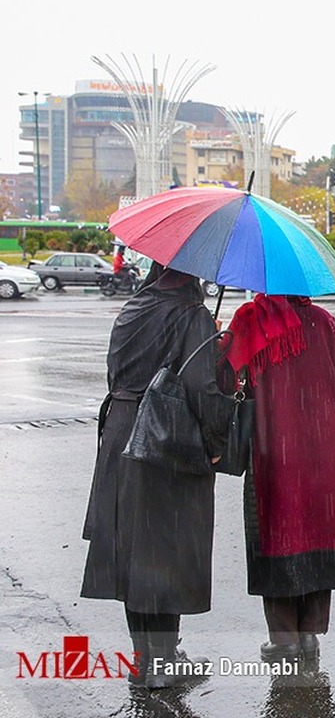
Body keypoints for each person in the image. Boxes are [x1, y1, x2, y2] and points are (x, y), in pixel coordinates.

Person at [81, 263, 231, 689]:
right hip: (169, 436)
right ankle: (165, 663)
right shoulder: (191, 316)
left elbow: (117, 374)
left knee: (134, 547)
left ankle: (145, 658)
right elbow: (203, 390)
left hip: (121, 436)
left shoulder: (132, 307)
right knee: (168, 548)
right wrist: (217, 442)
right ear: (192, 275)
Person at [225, 294, 335, 664]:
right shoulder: (322, 322)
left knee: (277, 533)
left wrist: (220, 342)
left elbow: (226, 378)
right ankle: (310, 636)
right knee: (318, 530)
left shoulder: (250, 320)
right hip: (323, 448)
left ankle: (283, 638)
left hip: (272, 450)